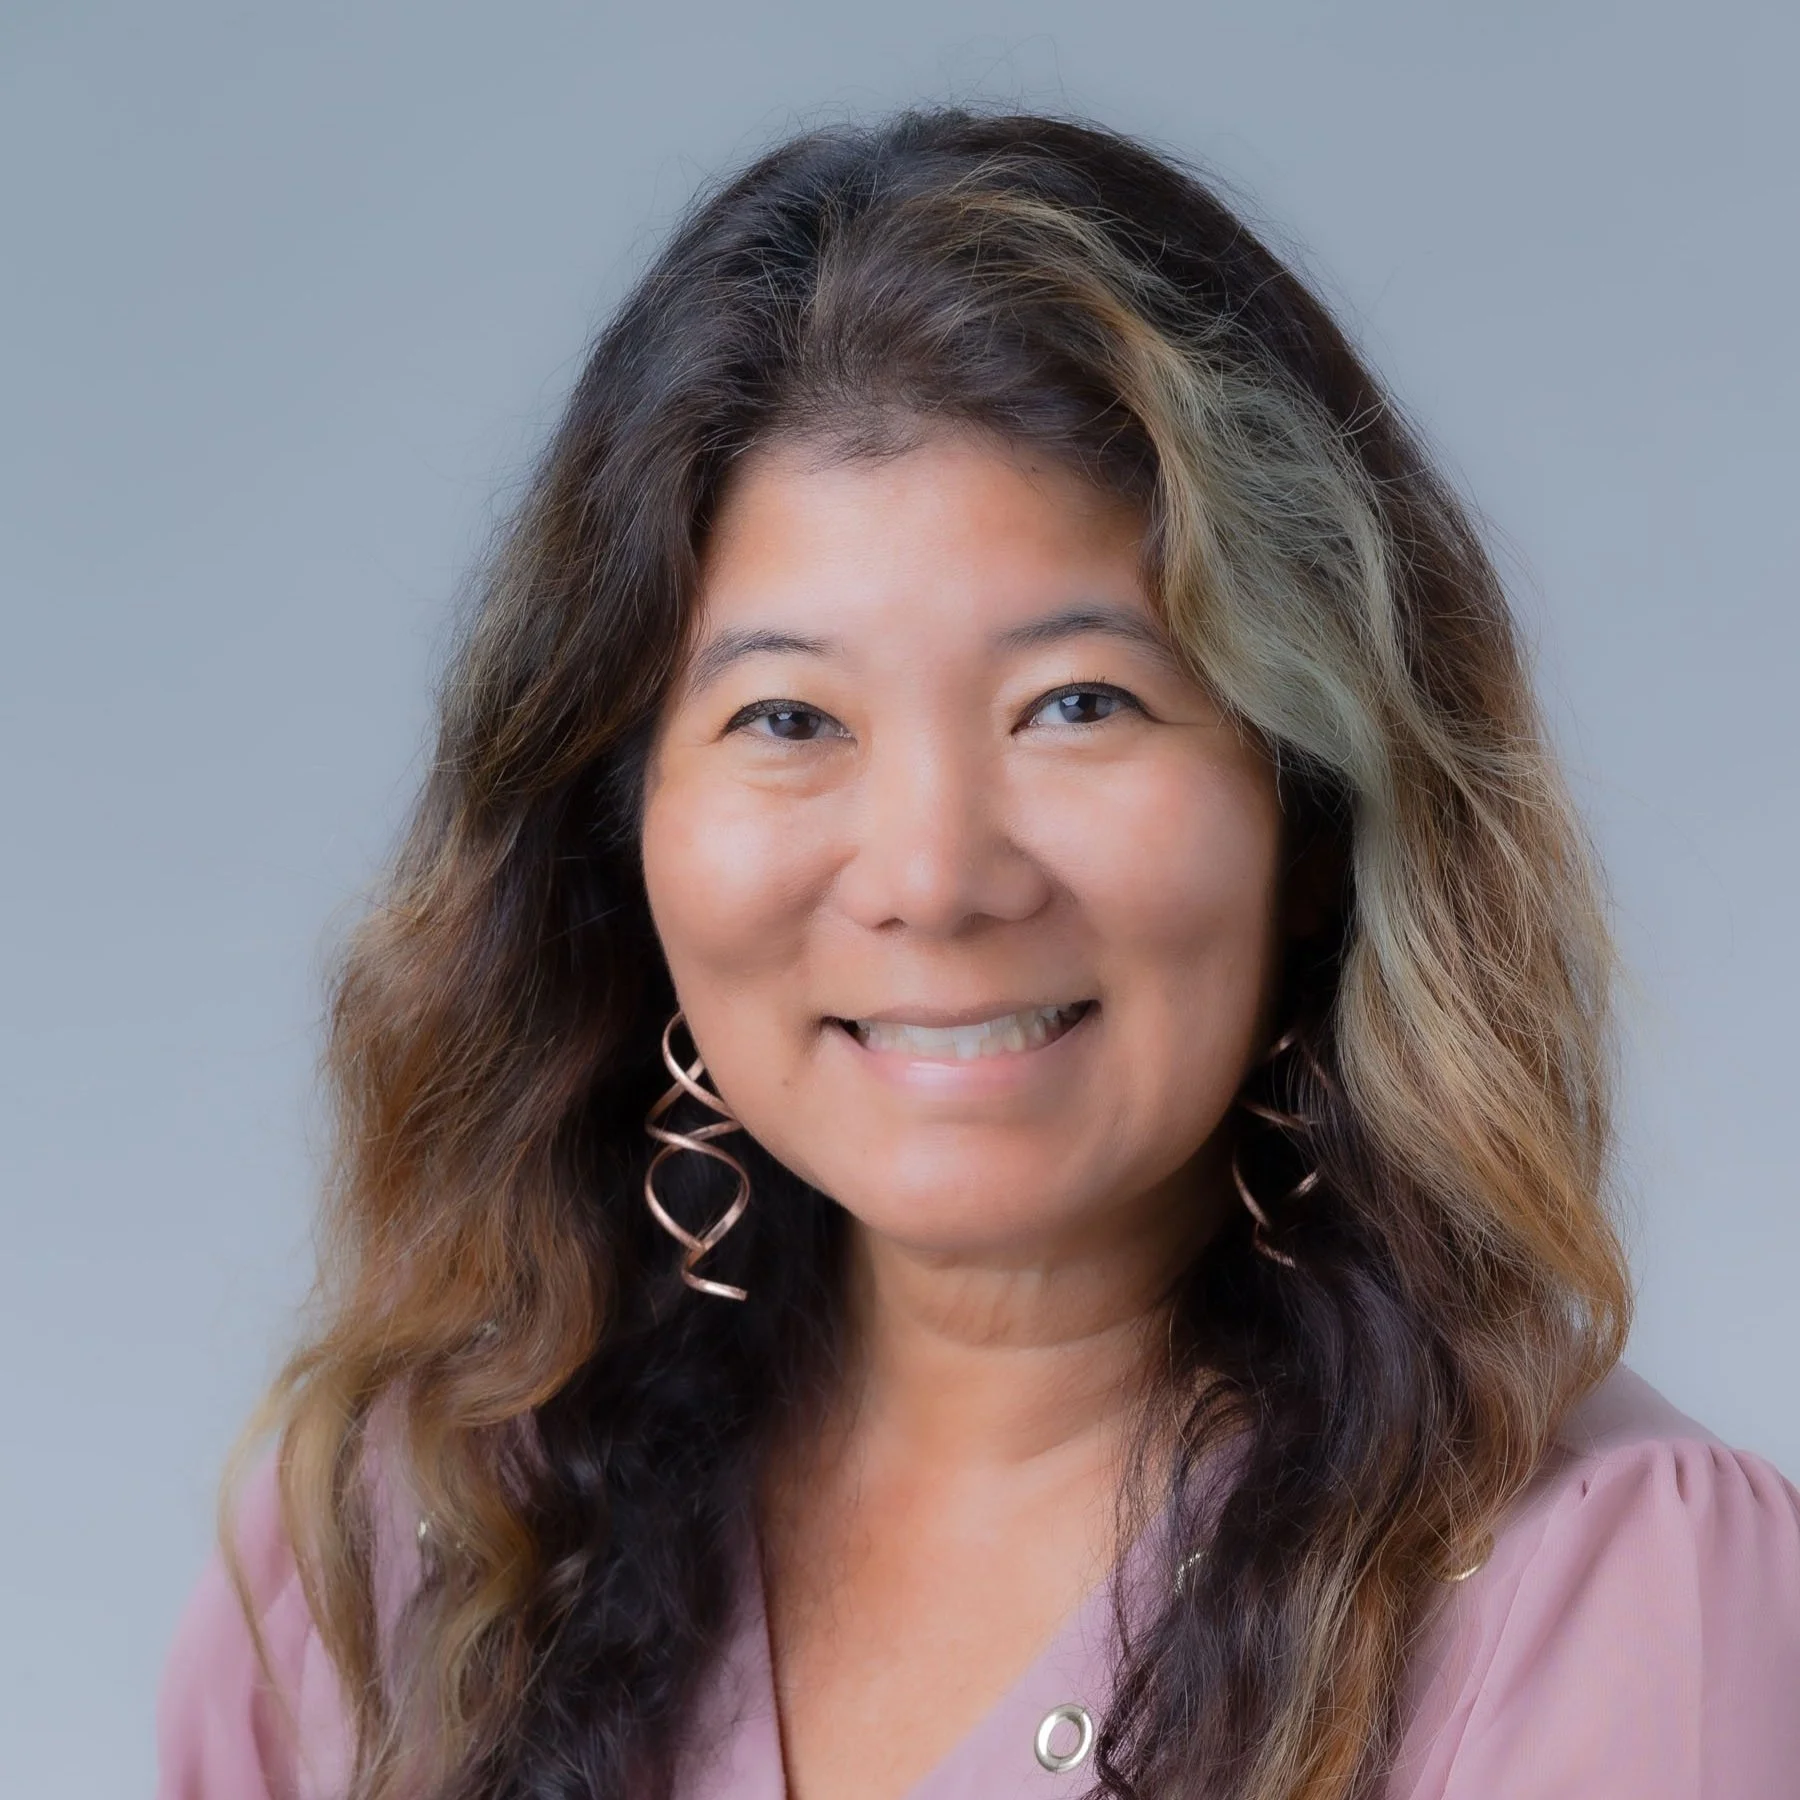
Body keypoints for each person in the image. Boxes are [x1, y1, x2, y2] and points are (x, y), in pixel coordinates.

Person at [154, 108, 1800, 1800]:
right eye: (789, 716)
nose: (934, 878)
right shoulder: (393, 1559)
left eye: (1078, 703)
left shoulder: (1607, 1591)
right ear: (617, 832)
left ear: (1315, 814)